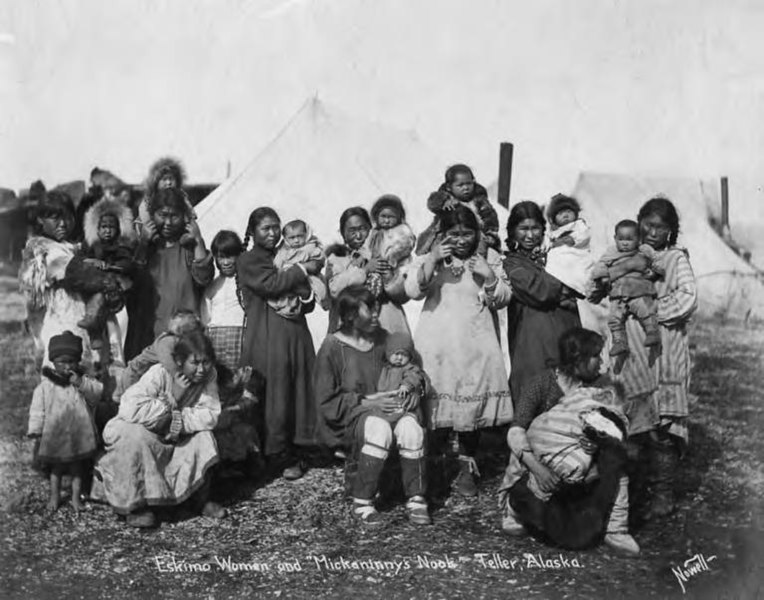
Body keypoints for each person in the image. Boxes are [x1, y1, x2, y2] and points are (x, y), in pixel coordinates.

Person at [498, 327, 640, 556]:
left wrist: (596, 443)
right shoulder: (542, 384)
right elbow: (516, 432)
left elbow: (610, 423)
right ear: (578, 360)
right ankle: (516, 507)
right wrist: (539, 469)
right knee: (557, 525)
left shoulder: (600, 386)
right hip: (541, 465)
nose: (602, 362)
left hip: (581, 466)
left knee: (615, 456)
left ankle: (617, 529)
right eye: (596, 356)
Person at [406, 204, 513, 497]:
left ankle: (466, 465)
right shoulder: (434, 256)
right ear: (443, 233)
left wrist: (488, 275)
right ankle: (438, 465)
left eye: (468, 233)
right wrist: (431, 260)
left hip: (476, 343)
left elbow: (503, 298)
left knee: (471, 405)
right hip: (437, 343)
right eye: (455, 233)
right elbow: (413, 291)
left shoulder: (488, 258)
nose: (462, 240)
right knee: (437, 403)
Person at [611, 197, 697, 519]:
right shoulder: (627, 255)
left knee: (663, 427)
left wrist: (653, 310)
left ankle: (663, 492)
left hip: (665, 348)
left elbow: (689, 297)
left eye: (660, 227)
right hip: (633, 350)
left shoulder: (676, 259)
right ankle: (633, 490)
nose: (652, 231)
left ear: (671, 231)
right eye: (647, 223)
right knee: (633, 423)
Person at [314, 286, 430, 525]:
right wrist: (370, 400)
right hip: (355, 416)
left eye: (377, 310)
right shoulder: (332, 347)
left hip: (393, 410)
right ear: (349, 316)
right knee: (379, 429)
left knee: (412, 430)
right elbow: (325, 400)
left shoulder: (385, 341)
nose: (377, 316)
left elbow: (416, 371)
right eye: (371, 311)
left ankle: (416, 498)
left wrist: (414, 392)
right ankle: (362, 502)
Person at [91, 331, 224, 528]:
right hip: (140, 428)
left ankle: (197, 500)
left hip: (176, 432)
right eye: (195, 363)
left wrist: (176, 422)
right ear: (179, 361)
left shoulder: (208, 376)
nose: (201, 369)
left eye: (206, 362)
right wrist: (173, 399)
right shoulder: (159, 373)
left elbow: (210, 413)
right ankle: (136, 506)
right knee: (134, 437)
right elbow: (130, 408)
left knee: (204, 438)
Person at [237, 207, 320, 480]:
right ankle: (273, 454)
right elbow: (272, 284)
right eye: (265, 228)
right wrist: (302, 269)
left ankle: (299, 449)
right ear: (252, 232)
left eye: (276, 227)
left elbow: (307, 297)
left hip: (295, 332)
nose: (273, 233)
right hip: (266, 337)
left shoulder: (287, 252)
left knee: (297, 389)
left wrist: (305, 283)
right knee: (274, 393)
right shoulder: (248, 260)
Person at [123, 187, 214, 360]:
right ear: (151, 216)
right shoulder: (143, 248)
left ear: (184, 217)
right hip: (148, 336)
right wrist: (143, 243)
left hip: (185, 336)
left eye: (174, 216)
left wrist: (198, 240)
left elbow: (204, 278)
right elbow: (131, 282)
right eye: (162, 215)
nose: (168, 222)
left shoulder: (188, 249)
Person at [504, 201, 581, 399]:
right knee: (534, 396)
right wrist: (565, 287)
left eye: (535, 228)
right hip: (530, 343)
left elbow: (582, 279)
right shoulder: (511, 264)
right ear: (512, 231)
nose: (530, 235)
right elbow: (539, 291)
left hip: (567, 333)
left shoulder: (556, 255)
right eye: (523, 229)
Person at [19, 186, 94, 370]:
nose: (63, 223)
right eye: (55, 218)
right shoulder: (43, 249)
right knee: (64, 367)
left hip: (71, 314)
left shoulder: (66, 246)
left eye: (67, 217)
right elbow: (80, 272)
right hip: (58, 317)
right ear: (41, 220)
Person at [27, 331, 102, 513]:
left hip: (79, 435)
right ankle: (55, 496)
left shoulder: (82, 381)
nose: (67, 366)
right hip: (55, 436)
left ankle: (76, 499)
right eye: (62, 362)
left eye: (71, 361)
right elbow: (38, 409)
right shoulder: (46, 386)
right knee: (56, 469)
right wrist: (36, 429)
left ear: (78, 362)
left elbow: (97, 394)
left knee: (78, 469)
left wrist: (82, 383)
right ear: (53, 362)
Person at [65, 196, 138, 363]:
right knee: (94, 300)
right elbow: (79, 261)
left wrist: (108, 266)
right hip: (94, 285)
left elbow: (127, 265)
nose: (107, 231)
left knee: (114, 332)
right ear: (96, 229)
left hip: (115, 291)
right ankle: (95, 333)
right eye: (103, 227)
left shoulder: (122, 246)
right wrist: (90, 263)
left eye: (111, 227)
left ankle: (100, 336)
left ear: (119, 229)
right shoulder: (91, 245)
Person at [325, 206, 411, 335]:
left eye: (363, 229)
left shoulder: (387, 251)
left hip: (386, 324)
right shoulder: (336, 259)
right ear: (343, 233)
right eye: (352, 231)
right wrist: (365, 270)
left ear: (371, 229)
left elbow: (403, 295)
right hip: (352, 329)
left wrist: (389, 277)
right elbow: (335, 290)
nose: (358, 236)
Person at [591, 219, 663, 357]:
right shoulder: (610, 254)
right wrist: (604, 276)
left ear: (639, 239)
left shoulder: (643, 251)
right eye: (621, 239)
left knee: (646, 311)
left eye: (629, 239)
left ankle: (652, 332)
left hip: (638, 291)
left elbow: (658, 261)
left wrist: (654, 271)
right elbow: (600, 266)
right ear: (615, 239)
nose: (624, 243)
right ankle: (619, 342)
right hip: (618, 294)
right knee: (614, 319)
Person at [416, 164, 500, 255]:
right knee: (437, 247)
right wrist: (443, 202)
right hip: (448, 235)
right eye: (460, 185)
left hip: (473, 235)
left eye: (469, 183)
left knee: (482, 248)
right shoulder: (447, 200)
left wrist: (490, 236)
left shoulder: (479, 200)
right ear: (449, 187)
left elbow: (490, 219)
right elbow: (432, 204)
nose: (466, 188)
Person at [202, 230, 247, 374]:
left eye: (230, 256)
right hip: (216, 339)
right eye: (221, 257)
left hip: (240, 336)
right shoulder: (212, 286)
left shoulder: (246, 283)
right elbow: (206, 316)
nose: (226, 262)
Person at [267, 219, 329, 317]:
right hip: (289, 276)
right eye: (292, 238)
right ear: (286, 238)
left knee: (321, 289)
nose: (296, 240)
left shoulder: (310, 244)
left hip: (310, 277)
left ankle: (325, 303)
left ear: (306, 234)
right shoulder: (283, 249)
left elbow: (317, 258)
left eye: (300, 236)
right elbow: (278, 261)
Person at [137, 157, 197, 247]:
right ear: (156, 182)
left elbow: (189, 211)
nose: (168, 183)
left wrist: (190, 219)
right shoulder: (150, 198)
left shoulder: (181, 196)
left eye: (171, 179)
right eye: (164, 179)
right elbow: (144, 212)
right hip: (154, 228)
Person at [365, 195, 416, 297]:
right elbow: (367, 248)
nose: (387, 221)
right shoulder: (374, 233)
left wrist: (392, 258)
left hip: (394, 267)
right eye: (383, 216)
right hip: (377, 267)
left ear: (398, 217)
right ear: (376, 216)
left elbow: (405, 245)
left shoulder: (402, 230)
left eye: (391, 217)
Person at [544, 193, 593, 298]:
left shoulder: (579, 225)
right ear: (554, 218)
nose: (565, 215)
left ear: (575, 214)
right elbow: (548, 243)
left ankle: (575, 287)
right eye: (561, 213)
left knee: (577, 271)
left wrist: (574, 239)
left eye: (569, 212)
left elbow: (585, 235)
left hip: (576, 255)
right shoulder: (554, 232)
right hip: (561, 260)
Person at [375, 331, 428, 422]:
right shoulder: (385, 369)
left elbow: (413, 377)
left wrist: (406, 385)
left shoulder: (410, 368)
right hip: (387, 403)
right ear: (388, 354)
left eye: (404, 355)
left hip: (403, 403)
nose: (399, 358)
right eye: (396, 354)